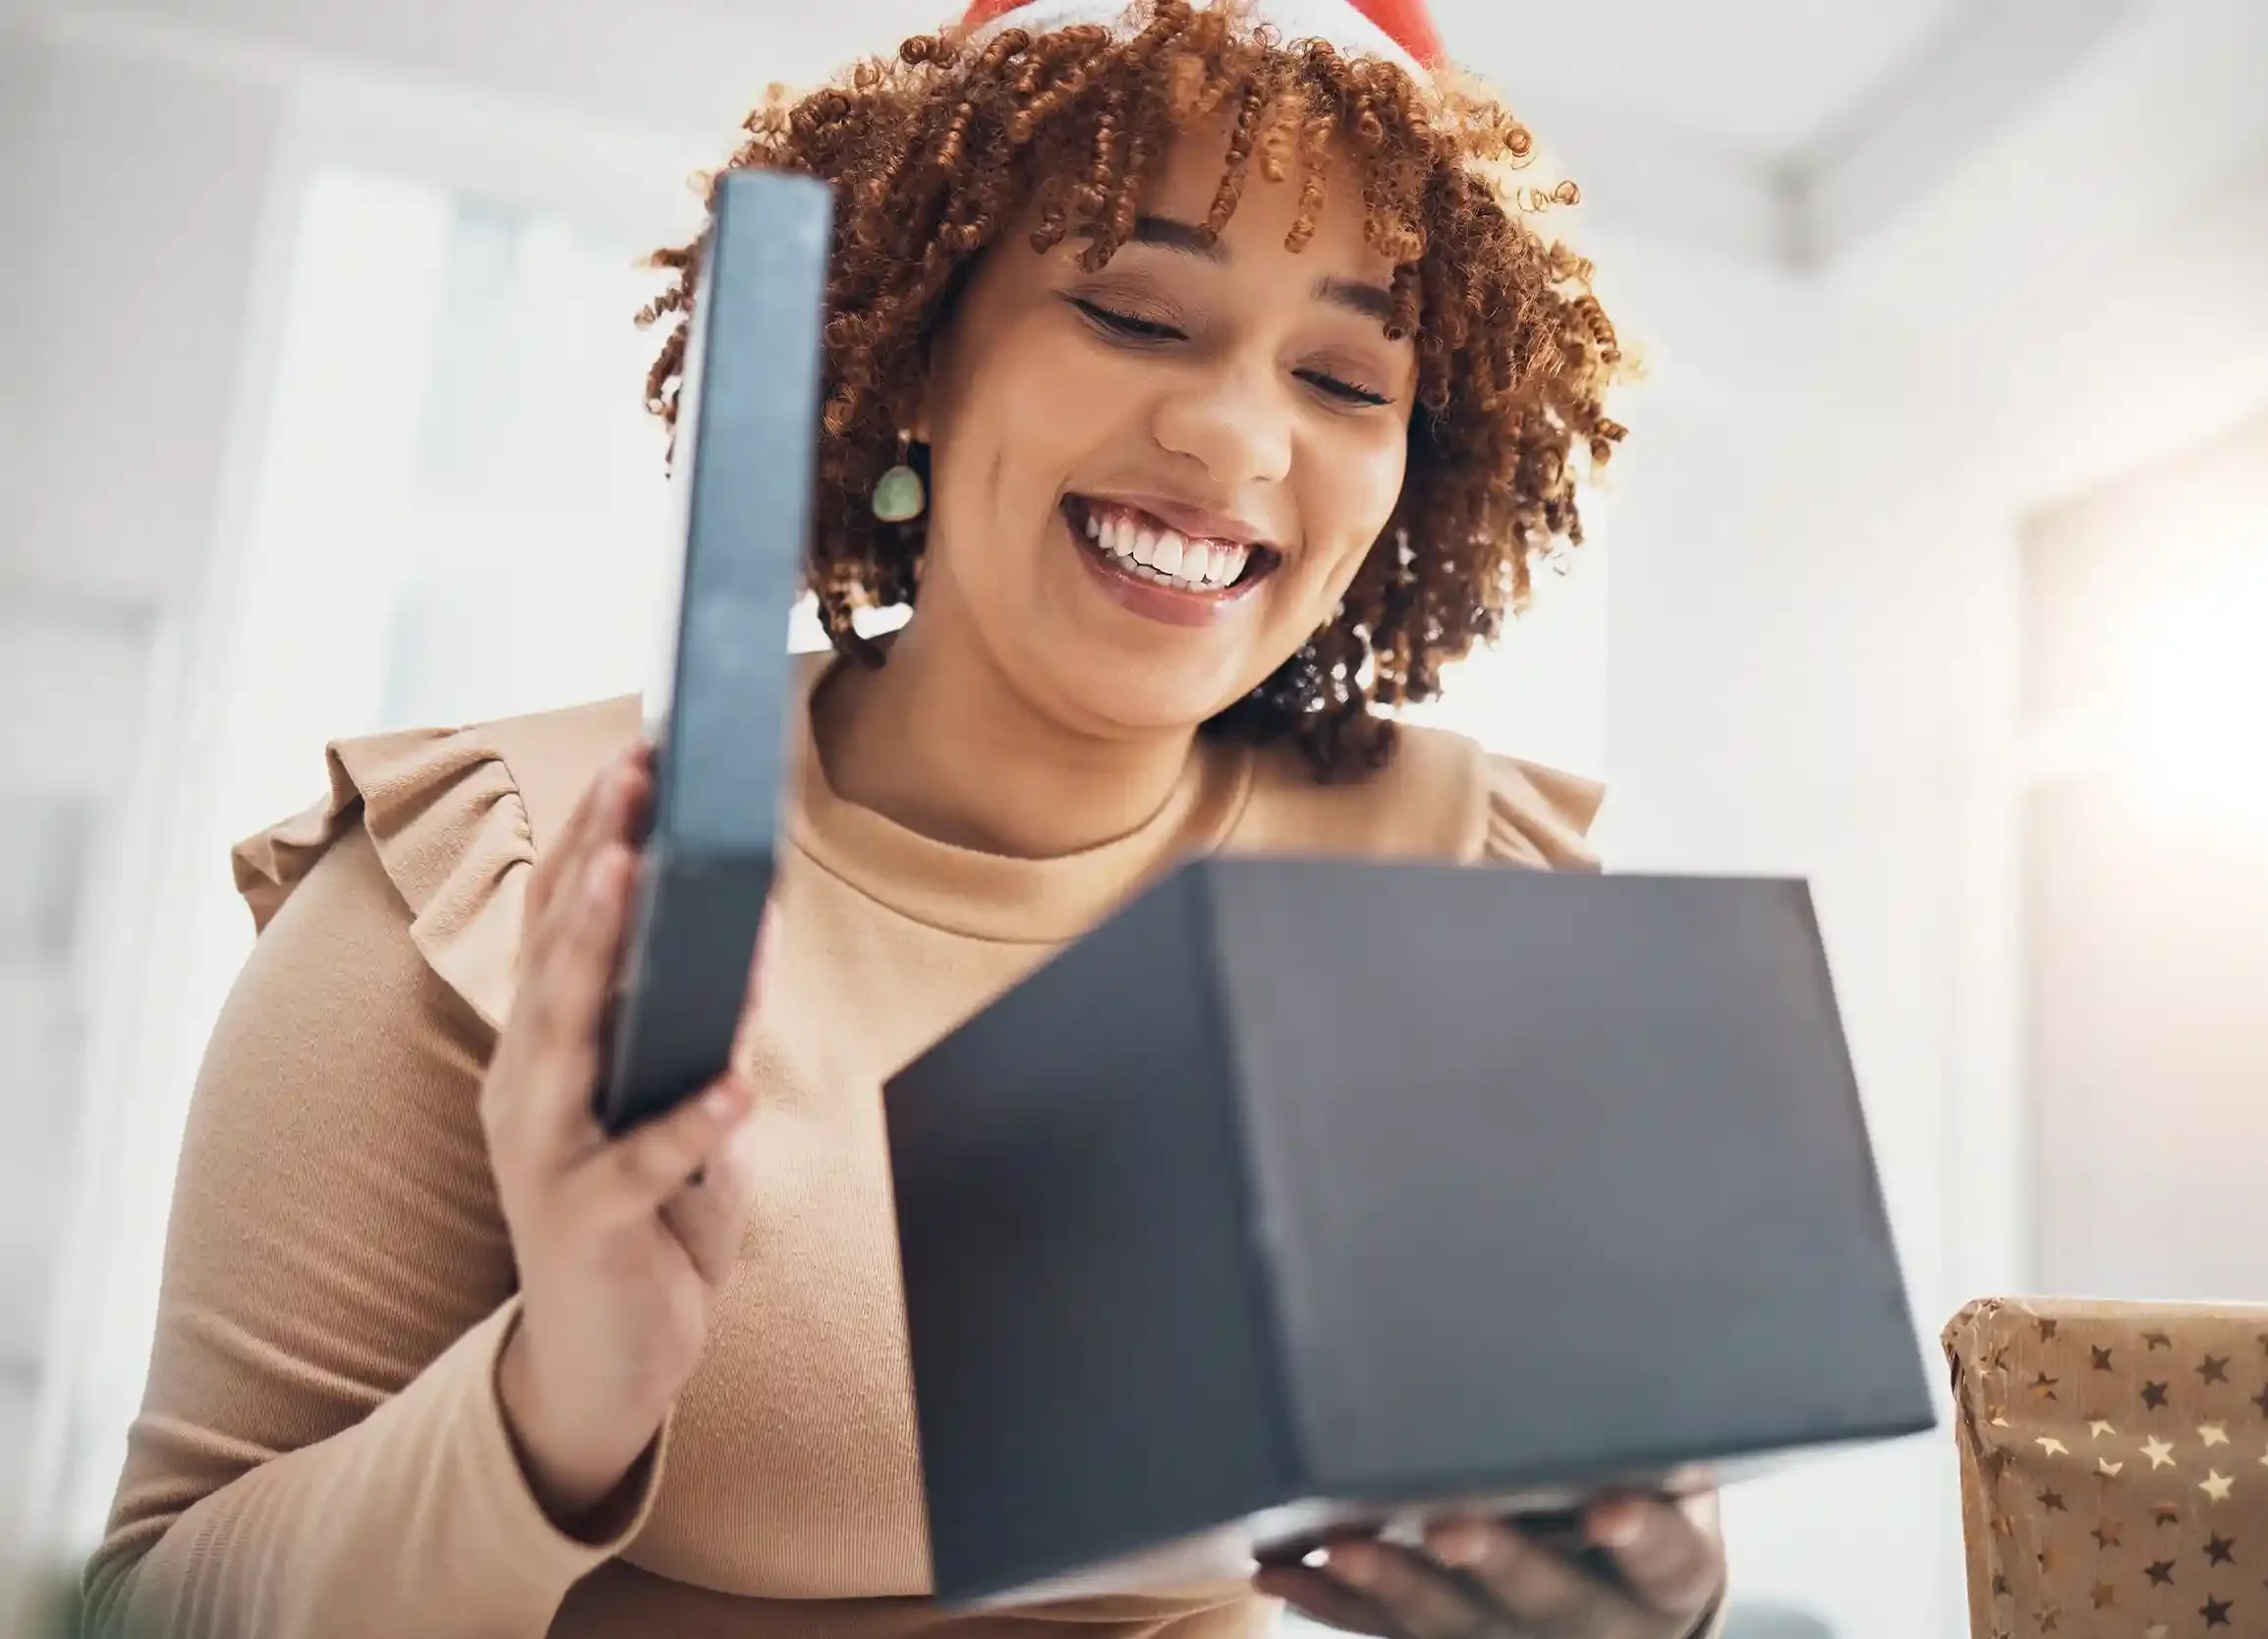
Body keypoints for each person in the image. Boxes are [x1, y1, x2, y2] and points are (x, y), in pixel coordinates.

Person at [82, 0, 1729, 1635]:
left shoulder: (1453, 888)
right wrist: (549, 1405)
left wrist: (1643, 1599)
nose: (1237, 435)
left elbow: (1578, 1502)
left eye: (1344, 376)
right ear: (924, 341)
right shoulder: (502, 883)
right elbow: (149, 1612)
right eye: (1136, 312)